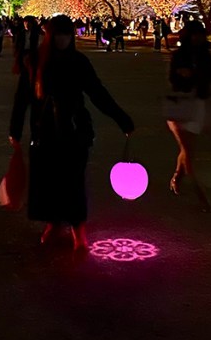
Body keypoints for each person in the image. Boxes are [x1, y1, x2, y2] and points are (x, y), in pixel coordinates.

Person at [9, 15, 134, 251]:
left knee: (73, 181)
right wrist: (15, 129)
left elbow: (97, 93)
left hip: (75, 130)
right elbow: (22, 98)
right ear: (50, 35)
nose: (62, 39)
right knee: (47, 180)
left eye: (67, 34)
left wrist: (122, 118)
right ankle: (53, 222)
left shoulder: (78, 62)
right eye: (58, 34)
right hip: (44, 131)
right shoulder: (35, 61)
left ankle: (78, 227)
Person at [164, 20, 211, 212]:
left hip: (197, 104)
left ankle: (177, 178)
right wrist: (184, 74)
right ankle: (199, 194)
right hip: (179, 105)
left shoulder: (205, 56)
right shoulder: (178, 55)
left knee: (187, 149)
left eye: (200, 34)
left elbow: (210, 77)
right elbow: (172, 78)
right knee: (188, 150)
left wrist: (193, 74)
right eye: (194, 34)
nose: (197, 38)